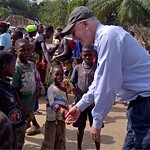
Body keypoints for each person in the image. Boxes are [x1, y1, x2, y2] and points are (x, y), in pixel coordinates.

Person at [63, 6, 150, 149]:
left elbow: (108, 84)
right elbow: (99, 80)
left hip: (145, 105)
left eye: (73, 32)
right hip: (139, 106)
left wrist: (97, 122)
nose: (74, 38)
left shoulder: (108, 37)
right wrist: (80, 106)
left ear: (84, 24)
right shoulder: (106, 38)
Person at [70, 44, 100, 150]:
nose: (87, 57)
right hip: (80, 103)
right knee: (80, 127)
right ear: (81, 55)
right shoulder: (78, 68)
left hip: (94, 104)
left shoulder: (97, 68)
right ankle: (79, 147)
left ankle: (98, 148)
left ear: (94, 55)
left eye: (90, 55)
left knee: (96, 127)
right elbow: (71, 83)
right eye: (85, 55)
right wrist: (78, 96)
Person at [0, 51, 28, 149]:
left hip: (12, 131)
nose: (15, 68)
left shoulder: (7, 85)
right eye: (13, 64)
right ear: (5, 67)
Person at [12, 38, 36, 149]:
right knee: (19, 140)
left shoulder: (31, 64)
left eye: (28, 50)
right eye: (22, 50)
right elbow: (15, 91)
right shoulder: (16, 69)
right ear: (16, 50)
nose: (26, 52)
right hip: (21, 110)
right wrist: (23, 109)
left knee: (23, 132)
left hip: (29, 107)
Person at [41, 65, 69, 150]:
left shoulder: (64, 90)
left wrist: (67, 113)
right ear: (51, 75)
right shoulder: (51, 89)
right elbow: (52, 103)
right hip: (51, 121)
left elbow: (66, 103)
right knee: (49, 142)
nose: (59, 77)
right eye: (56, 74)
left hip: (61, 121)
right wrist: (63, 111)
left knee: (60, 141)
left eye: (61, 74)